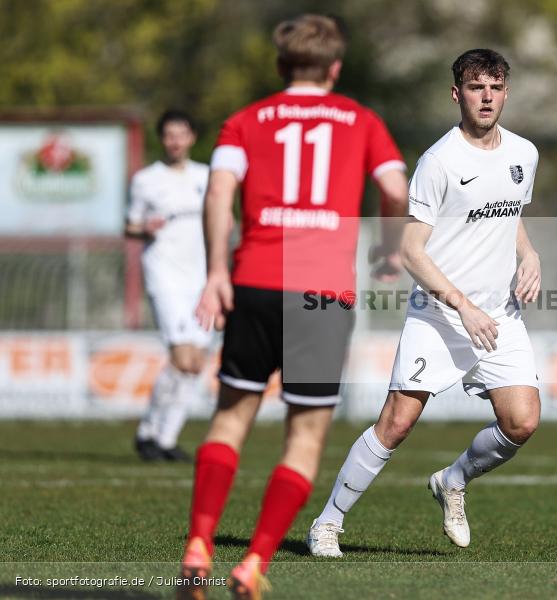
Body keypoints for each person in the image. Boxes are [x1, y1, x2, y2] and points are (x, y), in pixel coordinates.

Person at [176, 15, 408, 600]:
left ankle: (198, 543)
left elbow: (218, 191)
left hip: (253, 280)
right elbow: (397, 187)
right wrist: (386, 248)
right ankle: (253, 562)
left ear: (280, 66)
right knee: (303, 438)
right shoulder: (361, 120)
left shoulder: (246, 120)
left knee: (230, 418)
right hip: (322, 295)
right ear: (335, 67)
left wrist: (213, 272)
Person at [306, 48, 542, 558]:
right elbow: (411, 250)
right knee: (397, 422)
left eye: (495, 87)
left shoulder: (524, 153)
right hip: (440, 314)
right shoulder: (439, 162)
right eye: (476, 87)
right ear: (457, 94)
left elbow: (509, 214)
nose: (487, 97)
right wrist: (463, 306)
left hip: (499, 314)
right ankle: (328, 523)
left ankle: (452, 480)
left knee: (522, 421)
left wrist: (530, 254)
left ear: (506, 93)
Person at [126, 110, 211, 463]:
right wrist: (145, 227)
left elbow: (224, 220)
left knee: (195, 362)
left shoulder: (206, 176)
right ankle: (149, 433)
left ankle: (163, 437)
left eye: (182, 133)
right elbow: (129, 226)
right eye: (169, 135)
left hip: (201, 278)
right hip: (165, 276)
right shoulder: (146, 179)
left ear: (192, 137)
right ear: (162, 139)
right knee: (181, 356)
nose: (176, 141)